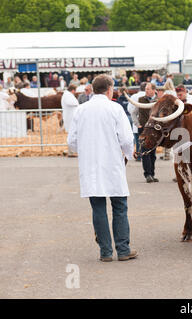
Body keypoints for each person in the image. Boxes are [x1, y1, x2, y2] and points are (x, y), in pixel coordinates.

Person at [67, 74, 137, 262]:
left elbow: (72, 142)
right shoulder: (115, 108)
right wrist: (130, 154)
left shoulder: (81, 110)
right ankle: (123, 250)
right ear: (109, 89)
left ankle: (105, 252)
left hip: (90, 166)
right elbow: (126, 138)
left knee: (98, 207)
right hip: (112, 163)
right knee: (119, 207)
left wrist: (84, 149)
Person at [138, 83, 159, 183]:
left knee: (153, 154)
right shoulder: (141, 100)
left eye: (148, 89)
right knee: (145, 152)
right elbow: (133, 112)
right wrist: (137, 123)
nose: (146, 90)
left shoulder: (159, 101)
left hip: (154, 130)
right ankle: (148, 175)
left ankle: (152, 174)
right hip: (144, 129)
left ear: (154, 90)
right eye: (145, 89)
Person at [128, 82, 147, 161]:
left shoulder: (134, 96)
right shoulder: (146, 97)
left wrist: (135, 118)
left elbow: (129, 109)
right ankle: (146, 155)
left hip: (136, 121)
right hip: (145, 121)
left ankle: (139, 156)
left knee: (137, 139)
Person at [61, 84, 79, 156]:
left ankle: (70, 150)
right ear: (73, 90)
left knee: (72, 135)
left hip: (71, 117)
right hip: (70, 117)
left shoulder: (67, 95)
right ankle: (70, 151)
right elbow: (73, 103)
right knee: (72, 135)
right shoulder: (68, 95)